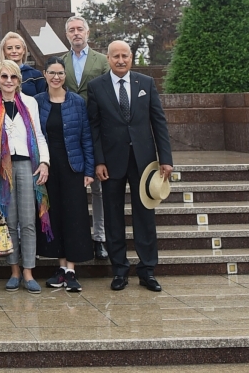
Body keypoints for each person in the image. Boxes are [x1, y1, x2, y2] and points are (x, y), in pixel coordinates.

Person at [88, 40, 173, 292]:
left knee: (144, 216)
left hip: (144, 163)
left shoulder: (145, 83)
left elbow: (159, 122)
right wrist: (99, 160)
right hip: (111, 163)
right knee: (113, 217)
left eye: (125, 56)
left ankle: (147, 270)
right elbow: (94, 127)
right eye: (116, 56)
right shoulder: (96, 87)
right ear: (108, 58)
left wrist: (166, 158)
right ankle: (120, 271)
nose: (121, 60)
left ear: (132, 57)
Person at [0, 60, 51, 294]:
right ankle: (14, 271)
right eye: (4, 77)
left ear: (19, 80)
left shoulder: (30, 102)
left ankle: (29, 272)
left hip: (28, 164)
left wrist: (44, 162)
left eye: (13, 77)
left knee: (28, 221)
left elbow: (39, 135)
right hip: (4, 166)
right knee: (9, 221)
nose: (8, 81)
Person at [35, 57, 95, 292]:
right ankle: (60, 267)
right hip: (47, 168)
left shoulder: (77, 102)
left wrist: (89, 169)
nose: (56, 77)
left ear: (65, 75)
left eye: (60, 73)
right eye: (52, 73)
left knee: (74, 216)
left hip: (73, 167)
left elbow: (86, 137)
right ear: (45, 74)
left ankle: (71, 269)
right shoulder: (37, 102)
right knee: (54, 215)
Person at [61, 15, 110, 260]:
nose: (76, 33)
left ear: (88, 32)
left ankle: (100, 238)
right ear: (67, 34)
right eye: (72, 30)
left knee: (99, 189)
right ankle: (75, 236)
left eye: (80, 29)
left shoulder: (102, 61)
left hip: (97, 129)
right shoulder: (61, 62)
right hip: (71, 133)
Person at [0, 32, 46, 97]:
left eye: (18, 47)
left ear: (24, 50)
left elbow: (42, 100)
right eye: (9, 48)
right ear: (4, 51)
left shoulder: (36, 75)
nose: (14, 51)